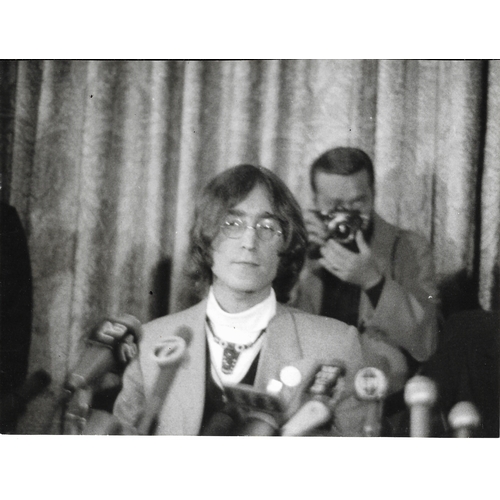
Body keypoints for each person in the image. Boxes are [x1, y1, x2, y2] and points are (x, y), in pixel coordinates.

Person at [110, 164, 407, 436]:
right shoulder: (151, 342)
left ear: (285, 247)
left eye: (267, 228)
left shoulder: (335, 344)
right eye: (231, 224)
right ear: (207, 239)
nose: (249, 242)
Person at [291, 147, 439, 383]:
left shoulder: (409, 248)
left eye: (358, 202)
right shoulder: (301, 245)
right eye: (335, 204)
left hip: (371, 378)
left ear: (372, 194)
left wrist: (373, 281)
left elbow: (426, 342)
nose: (347, 214)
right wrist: (296, 258)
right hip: (306, 366)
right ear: (315, 201)